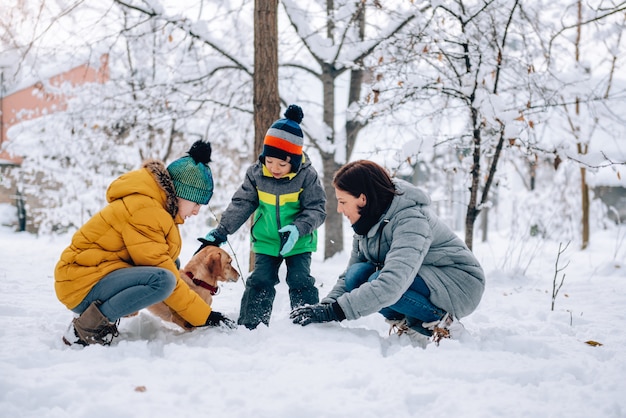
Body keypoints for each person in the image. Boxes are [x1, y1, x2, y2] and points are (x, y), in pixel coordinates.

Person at [55, 140, 235, 347]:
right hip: (80, 283)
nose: (196, 211)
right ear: (181, 194)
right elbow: (164, 276)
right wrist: (206, 316)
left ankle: (102, 321)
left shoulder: (154, 207)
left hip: (90, 277)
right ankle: (85, 329)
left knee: (171, 266)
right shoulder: (147, 210)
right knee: (163, 280)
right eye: (196, 204)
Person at [290, 160, 485, 348]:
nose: (340, 209)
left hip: (459, 283)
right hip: (422, 277)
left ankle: (443, 323)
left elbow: (392, 283)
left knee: (379, 279)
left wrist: (334, 312)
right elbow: (349, 275)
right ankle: (410, 323)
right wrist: (325, 307)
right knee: (357, 275)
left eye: (342, 202)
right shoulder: (367, 221)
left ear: (363, 199)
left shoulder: (411, 219)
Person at [201, 104, 326, 330]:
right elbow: (242, 203)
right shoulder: (256, 174)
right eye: (270, 161)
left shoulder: (307, 176)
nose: (274, 168)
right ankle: (251, 325)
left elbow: (317, 209)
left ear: (294, 161)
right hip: (267, 239)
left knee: (300, 280)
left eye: (282, 163)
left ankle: (309, 323)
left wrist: (298, 228)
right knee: (260, 281)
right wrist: (222, 230)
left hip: (298, 241)